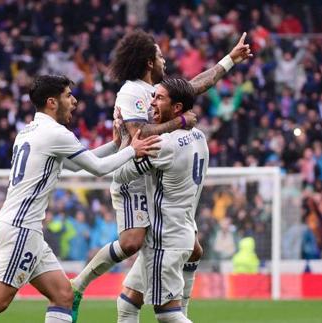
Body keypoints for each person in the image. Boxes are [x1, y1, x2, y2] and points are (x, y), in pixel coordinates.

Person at [71, 30, 252, 320]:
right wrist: (179, 121)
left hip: (156, 182)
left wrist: (230, 60)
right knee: (134, 243)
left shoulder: (159, 92)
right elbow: (140, 136)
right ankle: (77, 285)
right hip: (134, 180)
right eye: (159, 54)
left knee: (138, 295)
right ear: (147, 62)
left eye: (161, 101)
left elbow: (194, 86)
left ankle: (181, 309)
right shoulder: (132, 92)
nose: (164, 59)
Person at [0, 74, 160, 323]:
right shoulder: (56, 134)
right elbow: (99, 169)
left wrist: (116, 146)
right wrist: (131, 150)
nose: (74, 101)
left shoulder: (28, 131)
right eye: (68, 96)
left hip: (19, 226)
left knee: (63, 295)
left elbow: (75, 166)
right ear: (52, 102)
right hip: (22, 229)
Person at [112, 78, 208, 322]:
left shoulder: (162, 144)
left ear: (177, 108)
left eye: (159, 98)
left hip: (164, 240)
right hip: (183, 231)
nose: (151, 103)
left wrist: (125, 138)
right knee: (127, 301)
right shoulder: (199, 136)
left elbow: (121, 174)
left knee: (167, 315)